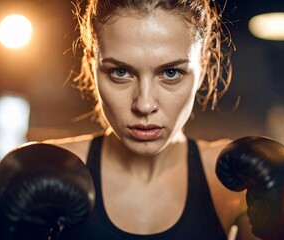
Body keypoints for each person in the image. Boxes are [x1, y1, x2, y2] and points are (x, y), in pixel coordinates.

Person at [46, 0, 258, 239]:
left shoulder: (235, 185)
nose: (144, 105)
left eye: (171, 73)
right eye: (120, 72)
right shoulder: (49, 171)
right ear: (90, 64)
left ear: (203, 67)